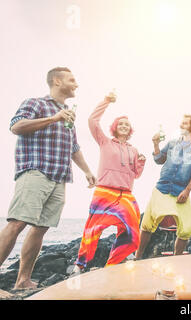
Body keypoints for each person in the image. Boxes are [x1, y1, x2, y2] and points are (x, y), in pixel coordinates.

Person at [0, 67, 96, 290]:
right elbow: (16, 126)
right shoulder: (36, 103)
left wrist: (87, 171)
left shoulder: (68, 112)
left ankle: (23, 280)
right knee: (18, 223)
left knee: (41, 228)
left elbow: (74, 147)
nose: (76, 84)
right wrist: (53, 118)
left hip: (59, 177)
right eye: (72, 79)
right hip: (35, 172)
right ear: (57, 81)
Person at [70, 92, 146, 274]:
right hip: (104, 192)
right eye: (120, 123)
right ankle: (79, 265)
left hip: (125, 194)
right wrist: (106, 101)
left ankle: (112, 266)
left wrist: (141, 162)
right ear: (114, 127)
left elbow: (136, 175)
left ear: (130, 130)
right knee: (93, 230)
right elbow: (92, 121)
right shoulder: (105, 142)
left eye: (127, 125)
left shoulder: (133, 150)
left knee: (132, 234)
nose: (124, 126)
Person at [135, 115, 191, 258]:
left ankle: (177, 259)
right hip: (161, 187)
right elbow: (159, 159)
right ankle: (138, 256)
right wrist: (155, 145)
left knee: (186, 228)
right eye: (181, 122)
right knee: (147, 224)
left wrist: (187, 190)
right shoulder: (173, 143)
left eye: (185, 123)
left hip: (180, 190)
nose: (181, 125)